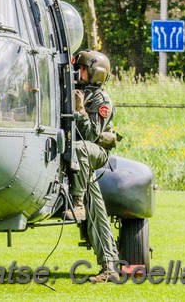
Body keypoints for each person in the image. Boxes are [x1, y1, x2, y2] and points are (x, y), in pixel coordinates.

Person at [64, 49, 121, 283]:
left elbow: (90, 135)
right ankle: (110, 266)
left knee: (80, 149)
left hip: (93, 151)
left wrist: (80, 111)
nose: (78, 72)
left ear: (95, 74)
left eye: (83, 69)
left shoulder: (101, 100)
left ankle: (77, 202)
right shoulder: (72, 91)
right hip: (75, 155)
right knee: (95, 202)